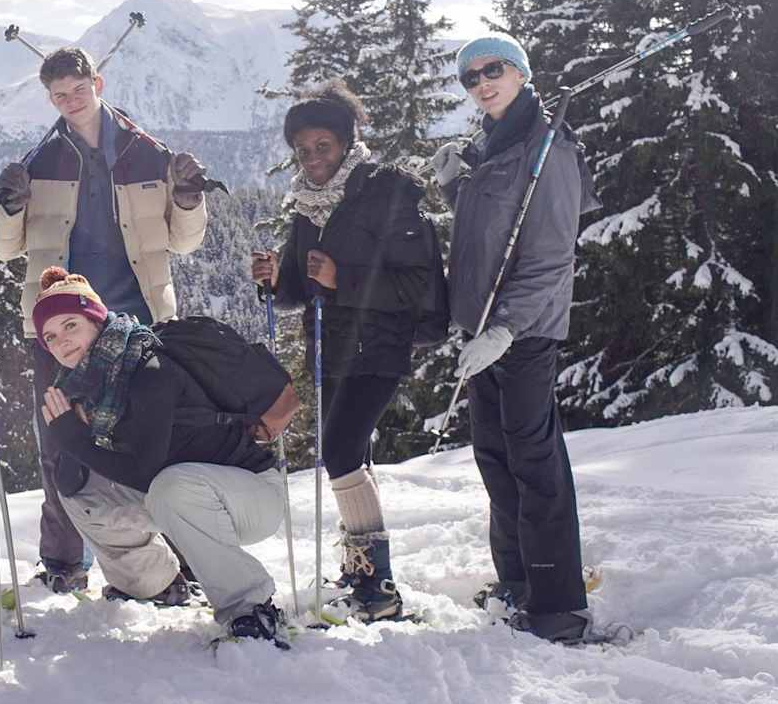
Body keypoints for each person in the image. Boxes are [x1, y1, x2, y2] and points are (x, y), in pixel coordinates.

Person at [0, 46, 211, 595]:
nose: (69, 102)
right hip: (58, 327)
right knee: (59, 441)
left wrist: (187, 198)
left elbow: (186, 242)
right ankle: (65, 565)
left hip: (138, 319)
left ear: (99, 82)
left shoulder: (146, 154)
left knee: (158, 441)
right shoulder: (40, 161)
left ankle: (180, 564)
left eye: (77, 90)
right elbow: (5, 249)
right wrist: (10, 207)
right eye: (58, 95)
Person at [429, 33, 601, 645]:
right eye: (470, 77)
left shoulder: (548, 149)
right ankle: (518, 584)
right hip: (482, 332)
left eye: (493, 70)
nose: (482, 83)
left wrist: (505, 330)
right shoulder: (488, 146)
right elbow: (489, 232)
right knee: (495, 458)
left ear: (521, 73)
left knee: (534, 461)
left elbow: (552, 255)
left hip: (522, 333)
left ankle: (558, 606)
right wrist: (456, 186)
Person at [249, 80, 439, 623]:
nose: (311, 159)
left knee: (341, 450)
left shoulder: (389, 194)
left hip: (379, 346)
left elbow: (418, 286)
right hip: (330, 347)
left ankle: (378, 586)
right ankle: (362, 571)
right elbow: (297, 291)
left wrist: (343, 278)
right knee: (350, 453)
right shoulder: (309, 208)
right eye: (303, 150)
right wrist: (272, 281)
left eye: (322, 147)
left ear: (346, 141)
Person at [33, 267, 288, 643]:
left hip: (250, 498)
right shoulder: (86, 384)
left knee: (171, 486)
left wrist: (74, 438)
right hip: (186, 495)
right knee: (79, 487)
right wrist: (73, 446)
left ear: (96, 319)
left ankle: (251, 606)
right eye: (50, 337)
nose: (62, 342)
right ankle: (153, 584)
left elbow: (145, 471)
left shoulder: (147, 368)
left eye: (71, 325)